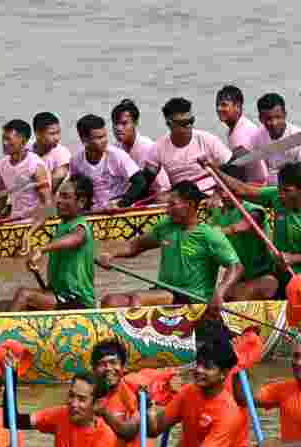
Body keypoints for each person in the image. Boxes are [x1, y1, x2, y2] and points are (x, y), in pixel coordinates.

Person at [97, 181, 243, 310]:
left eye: (172, 204)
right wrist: (110, 254)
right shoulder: (166, 227)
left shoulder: (209, 235)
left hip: (192, 298)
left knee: (137, 300)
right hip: (164, 292)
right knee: (110, 301)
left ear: (190, 205)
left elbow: (235, 266)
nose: (167, 210)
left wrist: (220, 292)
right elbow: (133, 246)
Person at [210, 161, 301, 294]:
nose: (281, 195)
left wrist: (296, 258)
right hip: (279, 274)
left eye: (287, 191)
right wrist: (213, 168)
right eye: (279, 189)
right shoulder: (277, 197)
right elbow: (241, 190)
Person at [0, 174, 95, 311]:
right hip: (56, 294)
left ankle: (2, 330)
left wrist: (41, 250)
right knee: (1, 306)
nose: (58, 200)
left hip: (77, 301)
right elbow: (46, 212)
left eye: (65, 196)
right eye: (59, 195)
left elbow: (75, 239)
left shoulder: (80, 227)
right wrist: (28, 235)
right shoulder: (64, 222)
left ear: (81, 202)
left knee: (24, 294)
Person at [207, 164, 277, 301]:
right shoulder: (218, 214)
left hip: (264, 276)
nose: (224, 195)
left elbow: (245, 225)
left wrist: (219, 231)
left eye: (228, 190)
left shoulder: (254, 209)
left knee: (243, 295)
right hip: (238, 276)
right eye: (220, 190)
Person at [142, 97, 232, 195]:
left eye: (191, 121)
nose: (189, 126)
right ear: (169, 124)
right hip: (181, 197)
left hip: (209, 195)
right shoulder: (158, 147)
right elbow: (145, 181)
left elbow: (232, 168)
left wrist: (218, 193)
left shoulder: (207, 140)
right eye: (183, 123)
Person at [69, 114, 148, 210]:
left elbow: (140, 182)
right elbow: (74, 188)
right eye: (99, 138)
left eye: (105, 136)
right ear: (84, 140)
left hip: (118, 209)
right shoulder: (75, 161)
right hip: (92, 211)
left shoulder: (117, 156)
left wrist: (121, 204)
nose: (105, 141)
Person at [0, 119, 51, 229]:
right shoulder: (3, 165)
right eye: (3, 139)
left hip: (34, 225)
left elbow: (47, 204)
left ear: (23, 140)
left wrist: (32, 230)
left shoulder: (35, 166)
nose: (4, 143)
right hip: (15, 223)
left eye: (8, 139)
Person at [250, 92, 301, 185]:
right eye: (268, 119)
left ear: (285, 115)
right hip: (271, 189)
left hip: (296, 189)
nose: (274, 123)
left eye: (278, 117)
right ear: (260, 119)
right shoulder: (256, 136)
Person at [110, 98, 170, 193]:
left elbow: (163, 186)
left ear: (135, 123)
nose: (118, 128)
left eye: (124, 123)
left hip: (156, 194)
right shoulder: (114, 149)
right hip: (130, 196)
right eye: (115, 123)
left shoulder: (149, 147)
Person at [216, 85, 268, 185]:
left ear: (238, 107)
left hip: (257, 185)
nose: (219, 109)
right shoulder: (238, 126)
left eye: (224, 105)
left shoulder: (241, 132)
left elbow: (237, 168)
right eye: (217, 105)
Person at [32, 112, 72, 190]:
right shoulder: (25, 149)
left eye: (58, 132)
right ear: (37, 134)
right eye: (52, 134)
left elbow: (50, 189)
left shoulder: (62, 155)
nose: (57, 138)